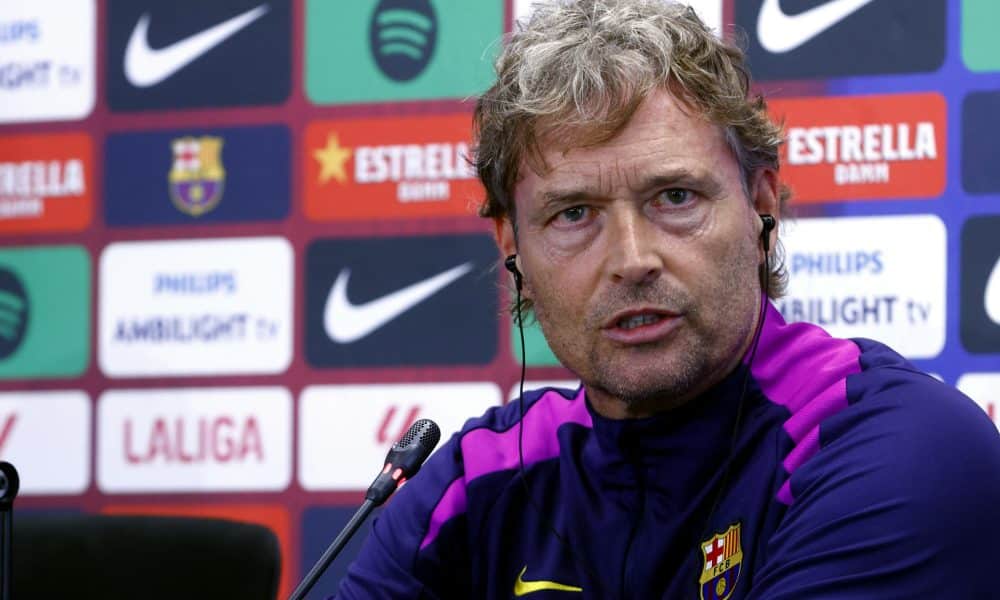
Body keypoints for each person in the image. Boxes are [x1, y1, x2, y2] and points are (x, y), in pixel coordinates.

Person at [334, 1, 1000, 598]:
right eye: (573, 214)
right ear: (514, 247)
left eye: (675, 197)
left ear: (761, 204)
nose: (631, 260)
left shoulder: (895, 446)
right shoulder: (469, 482)